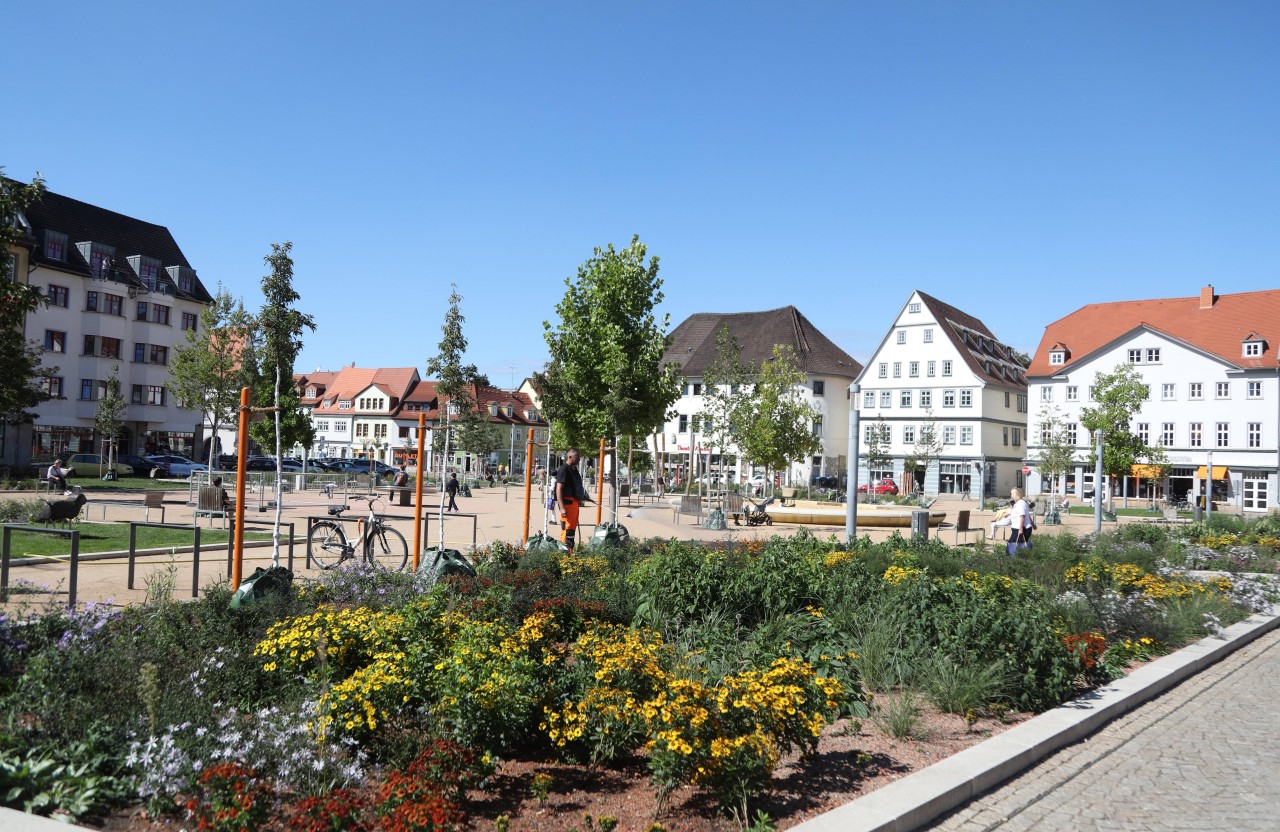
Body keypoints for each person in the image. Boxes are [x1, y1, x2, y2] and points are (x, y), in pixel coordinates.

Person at [555, 448, 590, 552]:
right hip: (567, 504)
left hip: (574, 503)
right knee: (567, 530)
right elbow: (559, 489)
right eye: (577, 457)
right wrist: (562, 508)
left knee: (571, 530)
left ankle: (570, 551)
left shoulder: (574, 469)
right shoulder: (564, 469)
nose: (579, 459)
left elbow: (575, 485)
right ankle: (563, 553)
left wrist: (582, 495)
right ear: (570, 457)